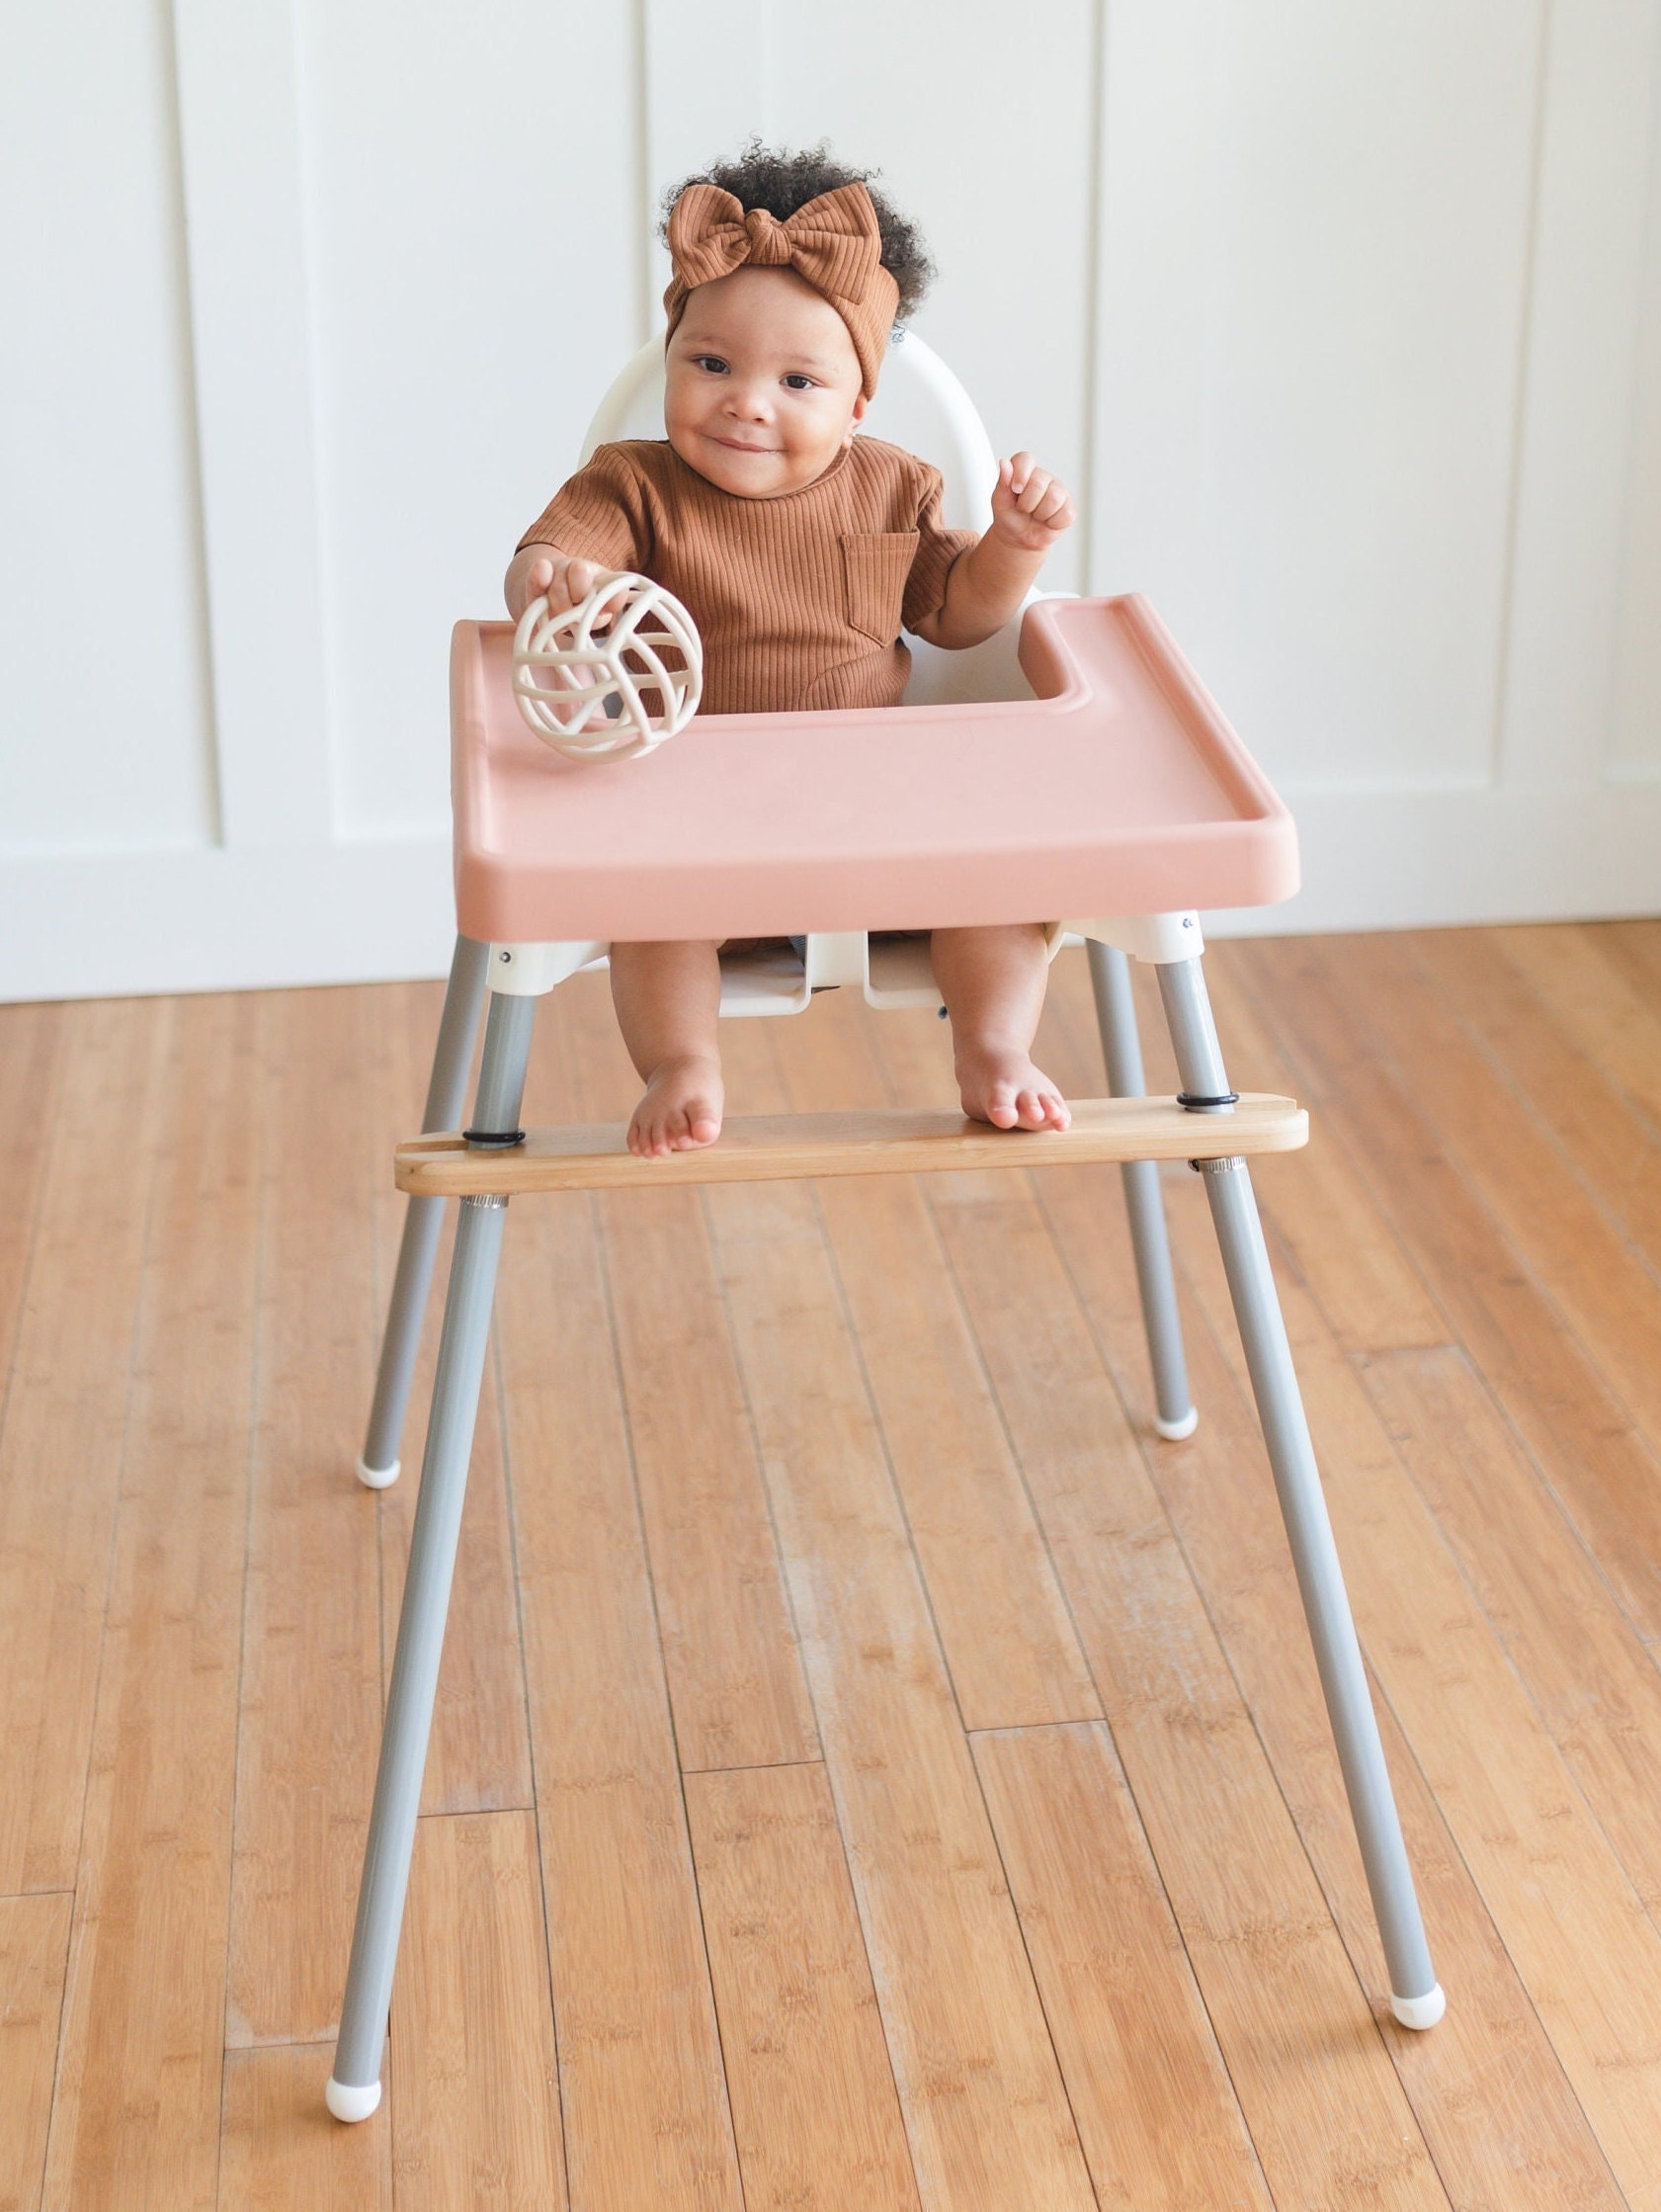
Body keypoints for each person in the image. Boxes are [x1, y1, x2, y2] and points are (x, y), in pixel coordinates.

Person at [506, 145, 1076, 1157]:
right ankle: (683, 1065)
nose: (746, 401)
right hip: (692, 811)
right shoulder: (628, 483)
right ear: (672, 357)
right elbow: (546, 560)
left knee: (1001, 890)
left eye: (797, 379)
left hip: (874, 808)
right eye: (710, 363)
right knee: (655, 921)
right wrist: (558, 585)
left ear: (857, 405)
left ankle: (993, 1049)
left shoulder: (893, 484)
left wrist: (1013, 548)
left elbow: (959, 617)